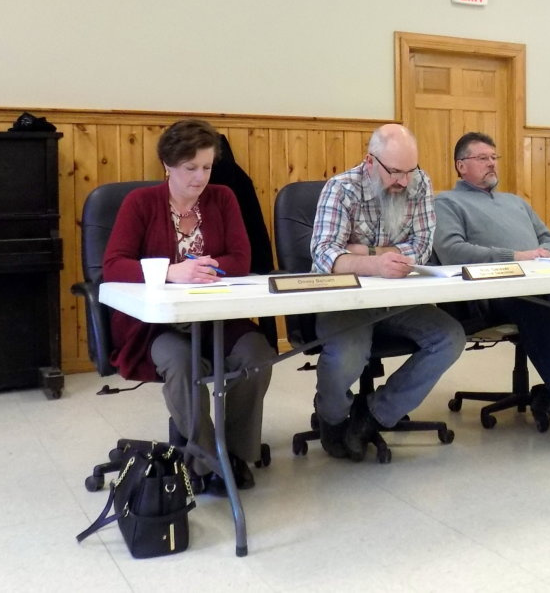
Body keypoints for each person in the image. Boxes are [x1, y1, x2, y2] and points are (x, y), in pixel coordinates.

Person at [103, 119, 274, 494]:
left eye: (207, 167)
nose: (200, 178)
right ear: (167, 165)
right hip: (158, 326)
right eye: (190, 168)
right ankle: (206, 460)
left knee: (258, 356)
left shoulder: (223, 198)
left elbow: (242, 258)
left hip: (216, 317)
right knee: (183, 364)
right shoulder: (141, 203)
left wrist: (207, 267)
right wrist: (172, 272)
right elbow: (114, 264)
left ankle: (235, 453)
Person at [433, 132, 550, 454]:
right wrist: (516, 257)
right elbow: (453, 251)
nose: (492, 164)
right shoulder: (446, 202)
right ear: (461, 165)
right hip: (491, 294)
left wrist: (545, 254)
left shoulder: (515, 202)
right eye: (483, 158)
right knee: (530, 306)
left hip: (542, 282)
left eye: (494, 157)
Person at [310, 123, 466, 461]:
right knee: (348, 354)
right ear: (370, 161)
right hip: (345, 300)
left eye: (410, 171)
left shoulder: (419, 183)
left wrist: (360, 252)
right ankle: (332, 415)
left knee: (450, 337)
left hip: (397, 300)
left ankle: (374, 414)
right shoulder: (341, 189)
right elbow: (323, 254)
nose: (403, 181)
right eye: (395, 172)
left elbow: (421, 247)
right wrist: (378, 262)